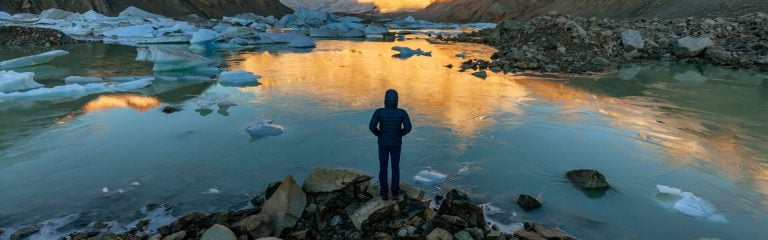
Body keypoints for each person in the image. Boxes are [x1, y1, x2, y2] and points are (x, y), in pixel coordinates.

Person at [369, 89, 412, 200]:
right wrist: (400, 134)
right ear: (396, 101)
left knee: (383, 167)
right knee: (395, 167)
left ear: (385, 100)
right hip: (396, 144)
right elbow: (408, 128)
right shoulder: (402, 113)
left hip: (382, 143)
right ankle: (395, 192)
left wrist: (378, 134)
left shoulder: (379, 112)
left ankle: (383, 192)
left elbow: (371, 126)